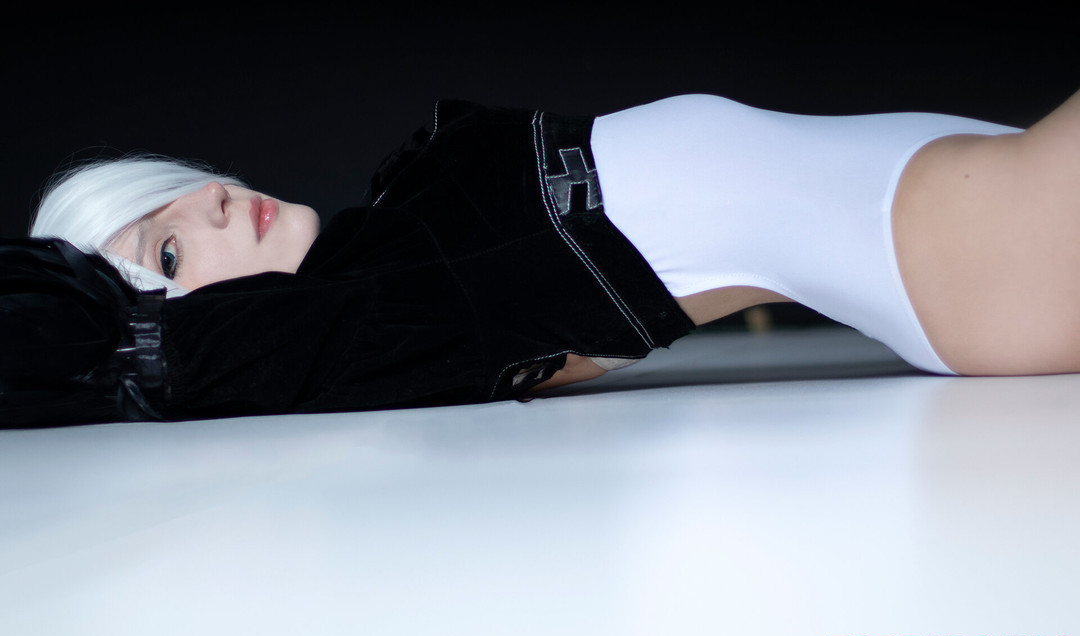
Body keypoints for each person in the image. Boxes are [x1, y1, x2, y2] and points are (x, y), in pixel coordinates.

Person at [1, 91, 1074, 427]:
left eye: (176, 195)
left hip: (944, 188)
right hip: (959, 251)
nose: (211, 199)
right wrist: (98, 331)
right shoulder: (378, 319)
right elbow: (163, 356)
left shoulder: (388, 242)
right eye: (171, 247)